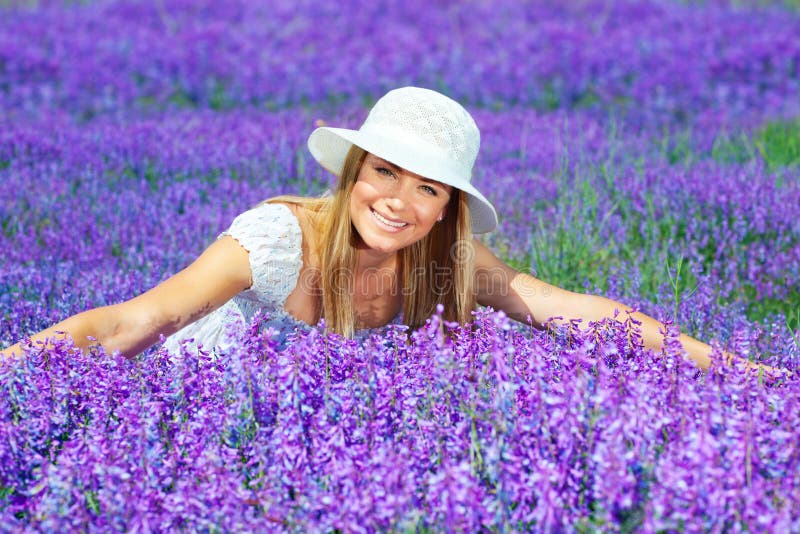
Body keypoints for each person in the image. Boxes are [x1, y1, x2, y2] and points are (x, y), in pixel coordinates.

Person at [0, 87, 778, 374]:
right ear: (353, 173)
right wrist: (16, 367)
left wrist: (737, 370)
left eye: (427, 187)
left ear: (448, 207)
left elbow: (574, 310)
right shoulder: (278, 240)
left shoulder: (452, 264)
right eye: (383, 173)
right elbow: (142, 319)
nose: (399, 201)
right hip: (195, 398)